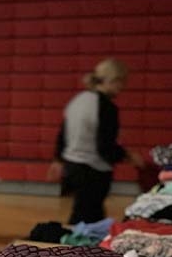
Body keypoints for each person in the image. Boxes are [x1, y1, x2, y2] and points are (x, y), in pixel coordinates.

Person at [48, 58, 143, 224]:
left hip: (73, 166)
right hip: (92, 170)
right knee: (85, 217)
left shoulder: (78, 100)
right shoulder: (107, 107)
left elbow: (62, 133)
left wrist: (58, 159)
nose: (122, 88)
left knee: (88, 214)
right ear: (113, 80)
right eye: (121, 82)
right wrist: (127, 156)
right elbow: (104, 146)